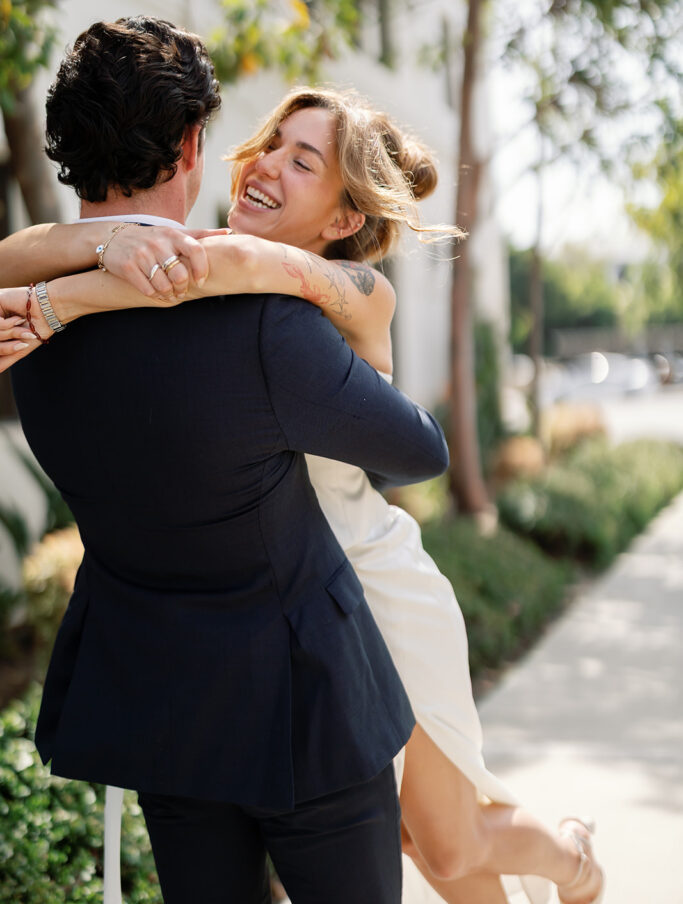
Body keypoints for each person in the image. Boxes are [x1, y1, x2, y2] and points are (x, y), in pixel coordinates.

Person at [0, 83, 605, 904]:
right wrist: (101, 244)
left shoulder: (348, 289)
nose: (265, 164)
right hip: (296, 612)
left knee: (446, 846)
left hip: (376, 592)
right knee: (391, 840)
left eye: (302, 159)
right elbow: (27, 250)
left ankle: (571, 856)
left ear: (342, 220)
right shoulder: (201, 257)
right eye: (271, 143)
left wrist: (57, 299)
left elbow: (232, 267)